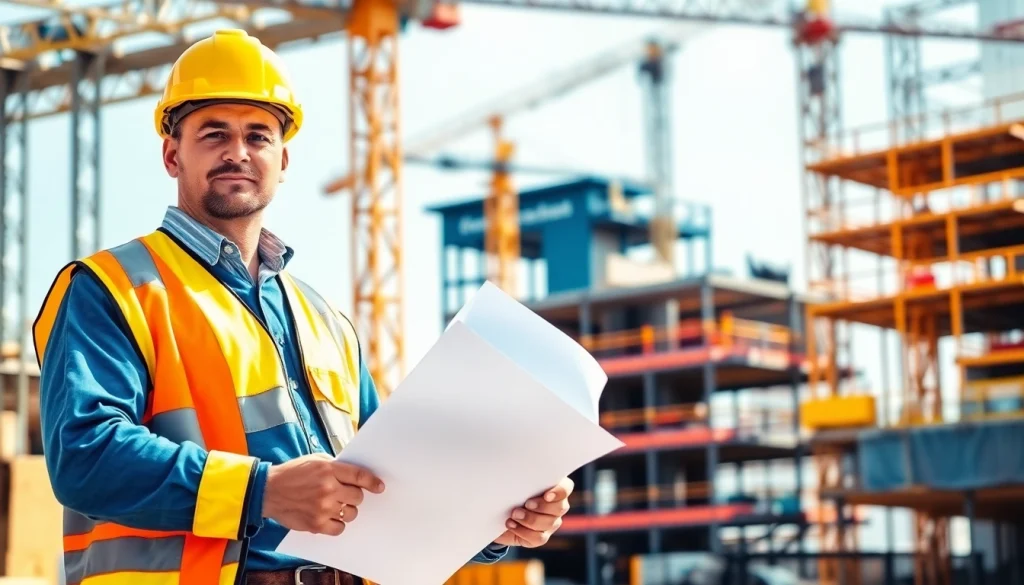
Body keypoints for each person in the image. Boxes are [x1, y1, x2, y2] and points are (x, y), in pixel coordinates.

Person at [33, 29, 574, 585]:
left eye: (258, 136)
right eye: (213, 133)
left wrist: (489, 522)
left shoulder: (328, 322)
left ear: (283, 158)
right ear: (173, 154)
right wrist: (260, 491)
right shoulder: (110, 288)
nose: (237, 151)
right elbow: (86, 455)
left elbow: (387, 486)